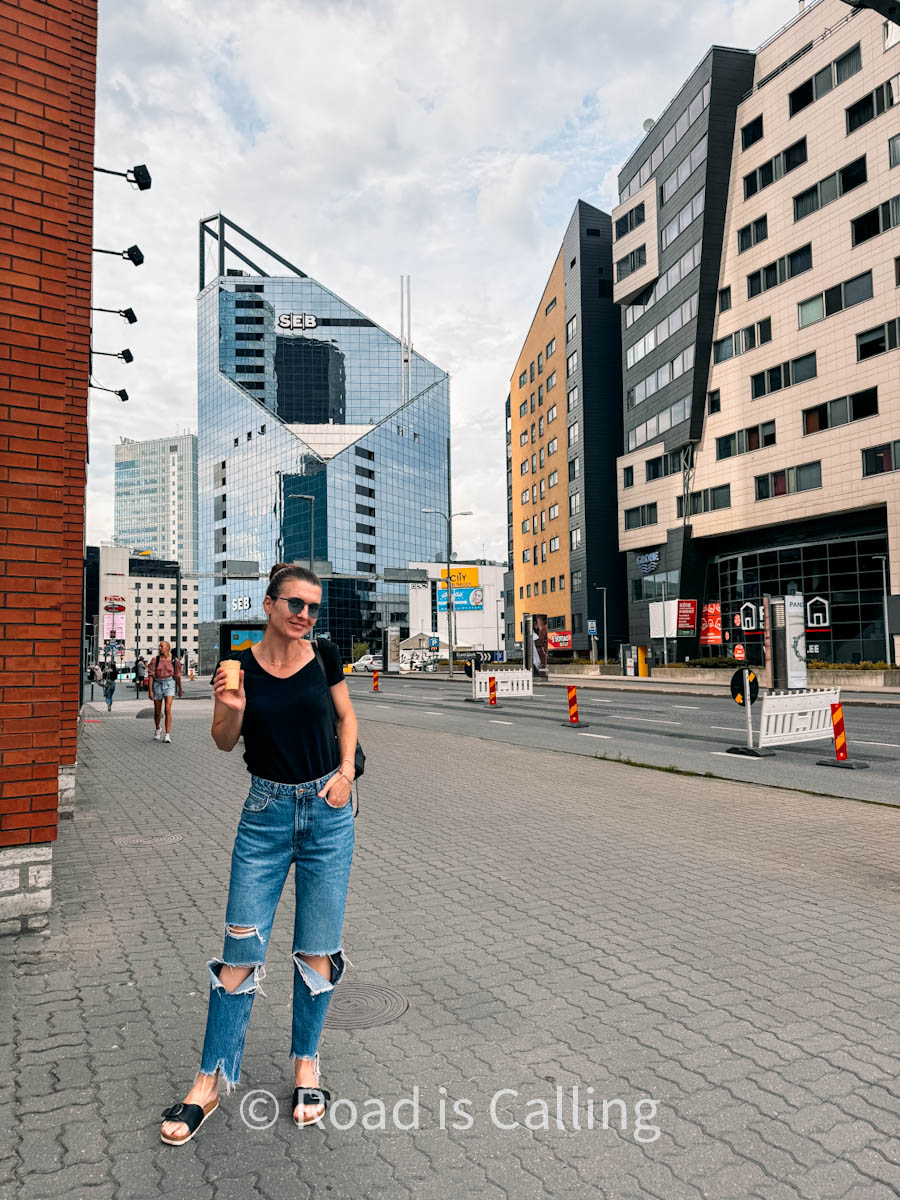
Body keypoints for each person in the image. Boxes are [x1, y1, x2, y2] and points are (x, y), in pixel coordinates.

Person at [160, 563, 359, 1146]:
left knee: (317, 949)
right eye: (294, 604)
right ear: (268, 605)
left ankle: (306, 1065)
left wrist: (346, 773)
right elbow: (224, 741)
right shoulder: (238, 666)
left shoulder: (324, 655)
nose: (304, 615)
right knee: (239, 952)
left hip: (328, 811)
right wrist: (232, 703)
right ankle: (210, 1082)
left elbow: (347, 717)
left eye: (312, 607)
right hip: (265, 816)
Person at [148, 641, 183, 743]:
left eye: (162, 646)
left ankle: (167, 734)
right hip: (157, 684)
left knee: (167, 709)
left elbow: (177, 676)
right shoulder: (155, 660)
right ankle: (158, 728)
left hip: (169, 683)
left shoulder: (174, 661)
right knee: (157, 711)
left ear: (168, 648)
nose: (160, 648)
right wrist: (150, 691)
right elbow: (150, 675)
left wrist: (180, 688)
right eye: (159, 646)